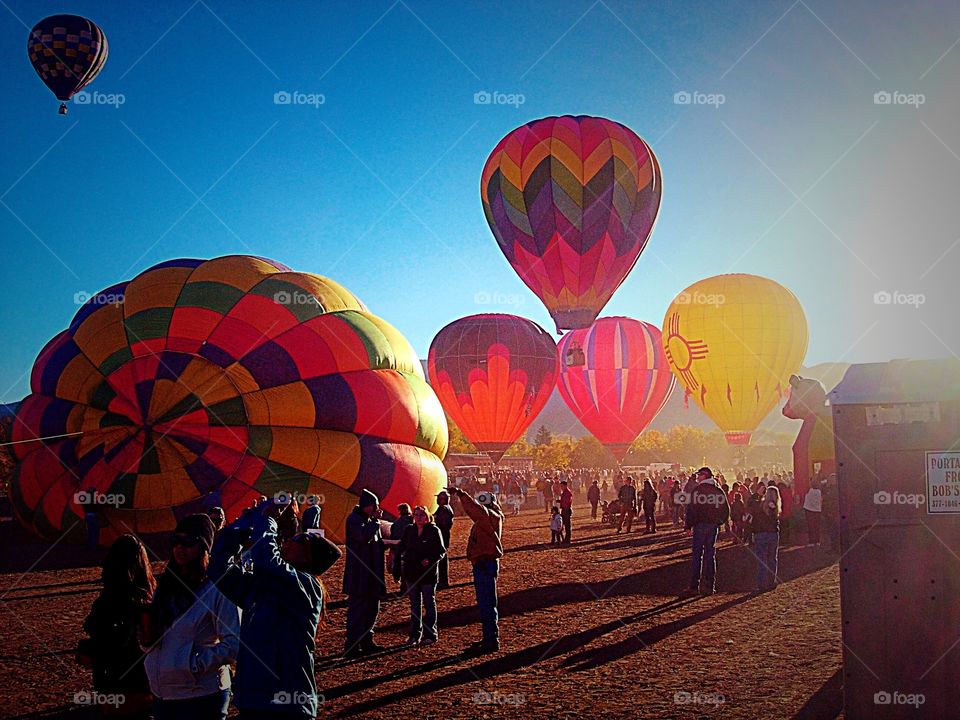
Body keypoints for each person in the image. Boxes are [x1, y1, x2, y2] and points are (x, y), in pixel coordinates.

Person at [210, 499, 341, 719]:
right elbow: (219, 570)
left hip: (286, 706)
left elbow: (266, 559)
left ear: (308, 556)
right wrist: (242, 529)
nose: (289, 541)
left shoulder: (307, 587)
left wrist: (268, 519)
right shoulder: (262, 586)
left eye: (299, 539)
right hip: (253, 699)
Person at [142, 514, 240, 720]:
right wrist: (145, 641)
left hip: (202, 694)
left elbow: (234, 643)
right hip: (162, 693)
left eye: (188, 542)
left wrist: (192, 664)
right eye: (175, 541)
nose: (180, 548)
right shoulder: (167, 584)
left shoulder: (218, 587)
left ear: (204, 547)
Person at [78, 535, 155, 718]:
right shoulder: (147, 600)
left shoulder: (106, 603)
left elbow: (103, 642)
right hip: (142, 682)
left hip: (113, 682)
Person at [446, 486, 503, 654]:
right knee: (485, 602)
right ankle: (489, 637)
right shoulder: (491, 518)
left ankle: (491, 639)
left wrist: (461, 494)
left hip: (485, 563)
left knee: (487, 602)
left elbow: (476, 510)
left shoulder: (490, 517)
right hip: (484, 562)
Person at [341, 489, 387, 657]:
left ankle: (367, 641)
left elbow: (376, 542)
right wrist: (375, 521)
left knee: (372, 608)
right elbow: (362, 537)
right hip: (359, 574)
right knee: (358, 609)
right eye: (375, 505)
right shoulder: (355, 520)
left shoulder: (369, 520)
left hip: (373, 572)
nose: (378, 508)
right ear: (368, 506)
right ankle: (352, 645)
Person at [397, 506, 446, 647]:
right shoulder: (409, 530)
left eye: (422, 515)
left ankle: (430, 634)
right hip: (411, 573)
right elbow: (402, 547)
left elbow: (441, 551)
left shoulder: (434, 530)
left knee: (429, 604)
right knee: (415, 605)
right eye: (416, 515)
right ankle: (414, 635)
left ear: (427, 517)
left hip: (428, 574)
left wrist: (430, 560)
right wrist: (396, 557)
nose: (419, 517)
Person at [680, 468, 731, 597]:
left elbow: (691, 509)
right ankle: (709, 586)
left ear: (705, 476)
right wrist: (719, 522)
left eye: (700, 475)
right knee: (710, 555)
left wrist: (688, 525)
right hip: (712, 526)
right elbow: (726, 509)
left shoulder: (698, 490)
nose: (698, 477)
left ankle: (694, 586)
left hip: (700, 525)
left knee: (697, 556)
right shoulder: (717, 490)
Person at [753, 485, 781, 592]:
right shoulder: (776, 507)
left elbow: (751, 505)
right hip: (773, 534)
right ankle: (771, 581)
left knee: (761, 559)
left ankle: (761, 583)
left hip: (760, 534)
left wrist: (757, 494)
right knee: (772, 558)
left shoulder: (760, 504)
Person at [390, 504, 414, 594]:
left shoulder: (396, 523)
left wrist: (393, 549)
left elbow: (393, 538)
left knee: (402, 568)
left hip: (399, 548)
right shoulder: (414, 521)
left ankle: (404, 586)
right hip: (411, 549)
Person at [434, 491, 455, 589]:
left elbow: (442, 524)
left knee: (441, 559)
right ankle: (443, 580)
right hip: (443, 536)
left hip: (442, 536)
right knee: (442, 558)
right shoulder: (446, 508)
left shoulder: (444, 509)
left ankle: (443, 581)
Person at [821, 474, 840, 552]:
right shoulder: (828, 488)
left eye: (832, 479)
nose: (830, 480)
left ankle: (835, 548)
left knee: (834, 531)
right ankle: (834, 547)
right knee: (831, 531)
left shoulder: (835, 489)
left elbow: (832, 501)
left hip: (833, 513)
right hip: (829, 513)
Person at [803, 481, 823, 546]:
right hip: (817, 510)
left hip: (809, 510)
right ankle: (817, 541)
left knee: (810, 527)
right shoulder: (819, 492)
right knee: (817, 526)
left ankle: (811, 541)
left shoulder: (809, 491)